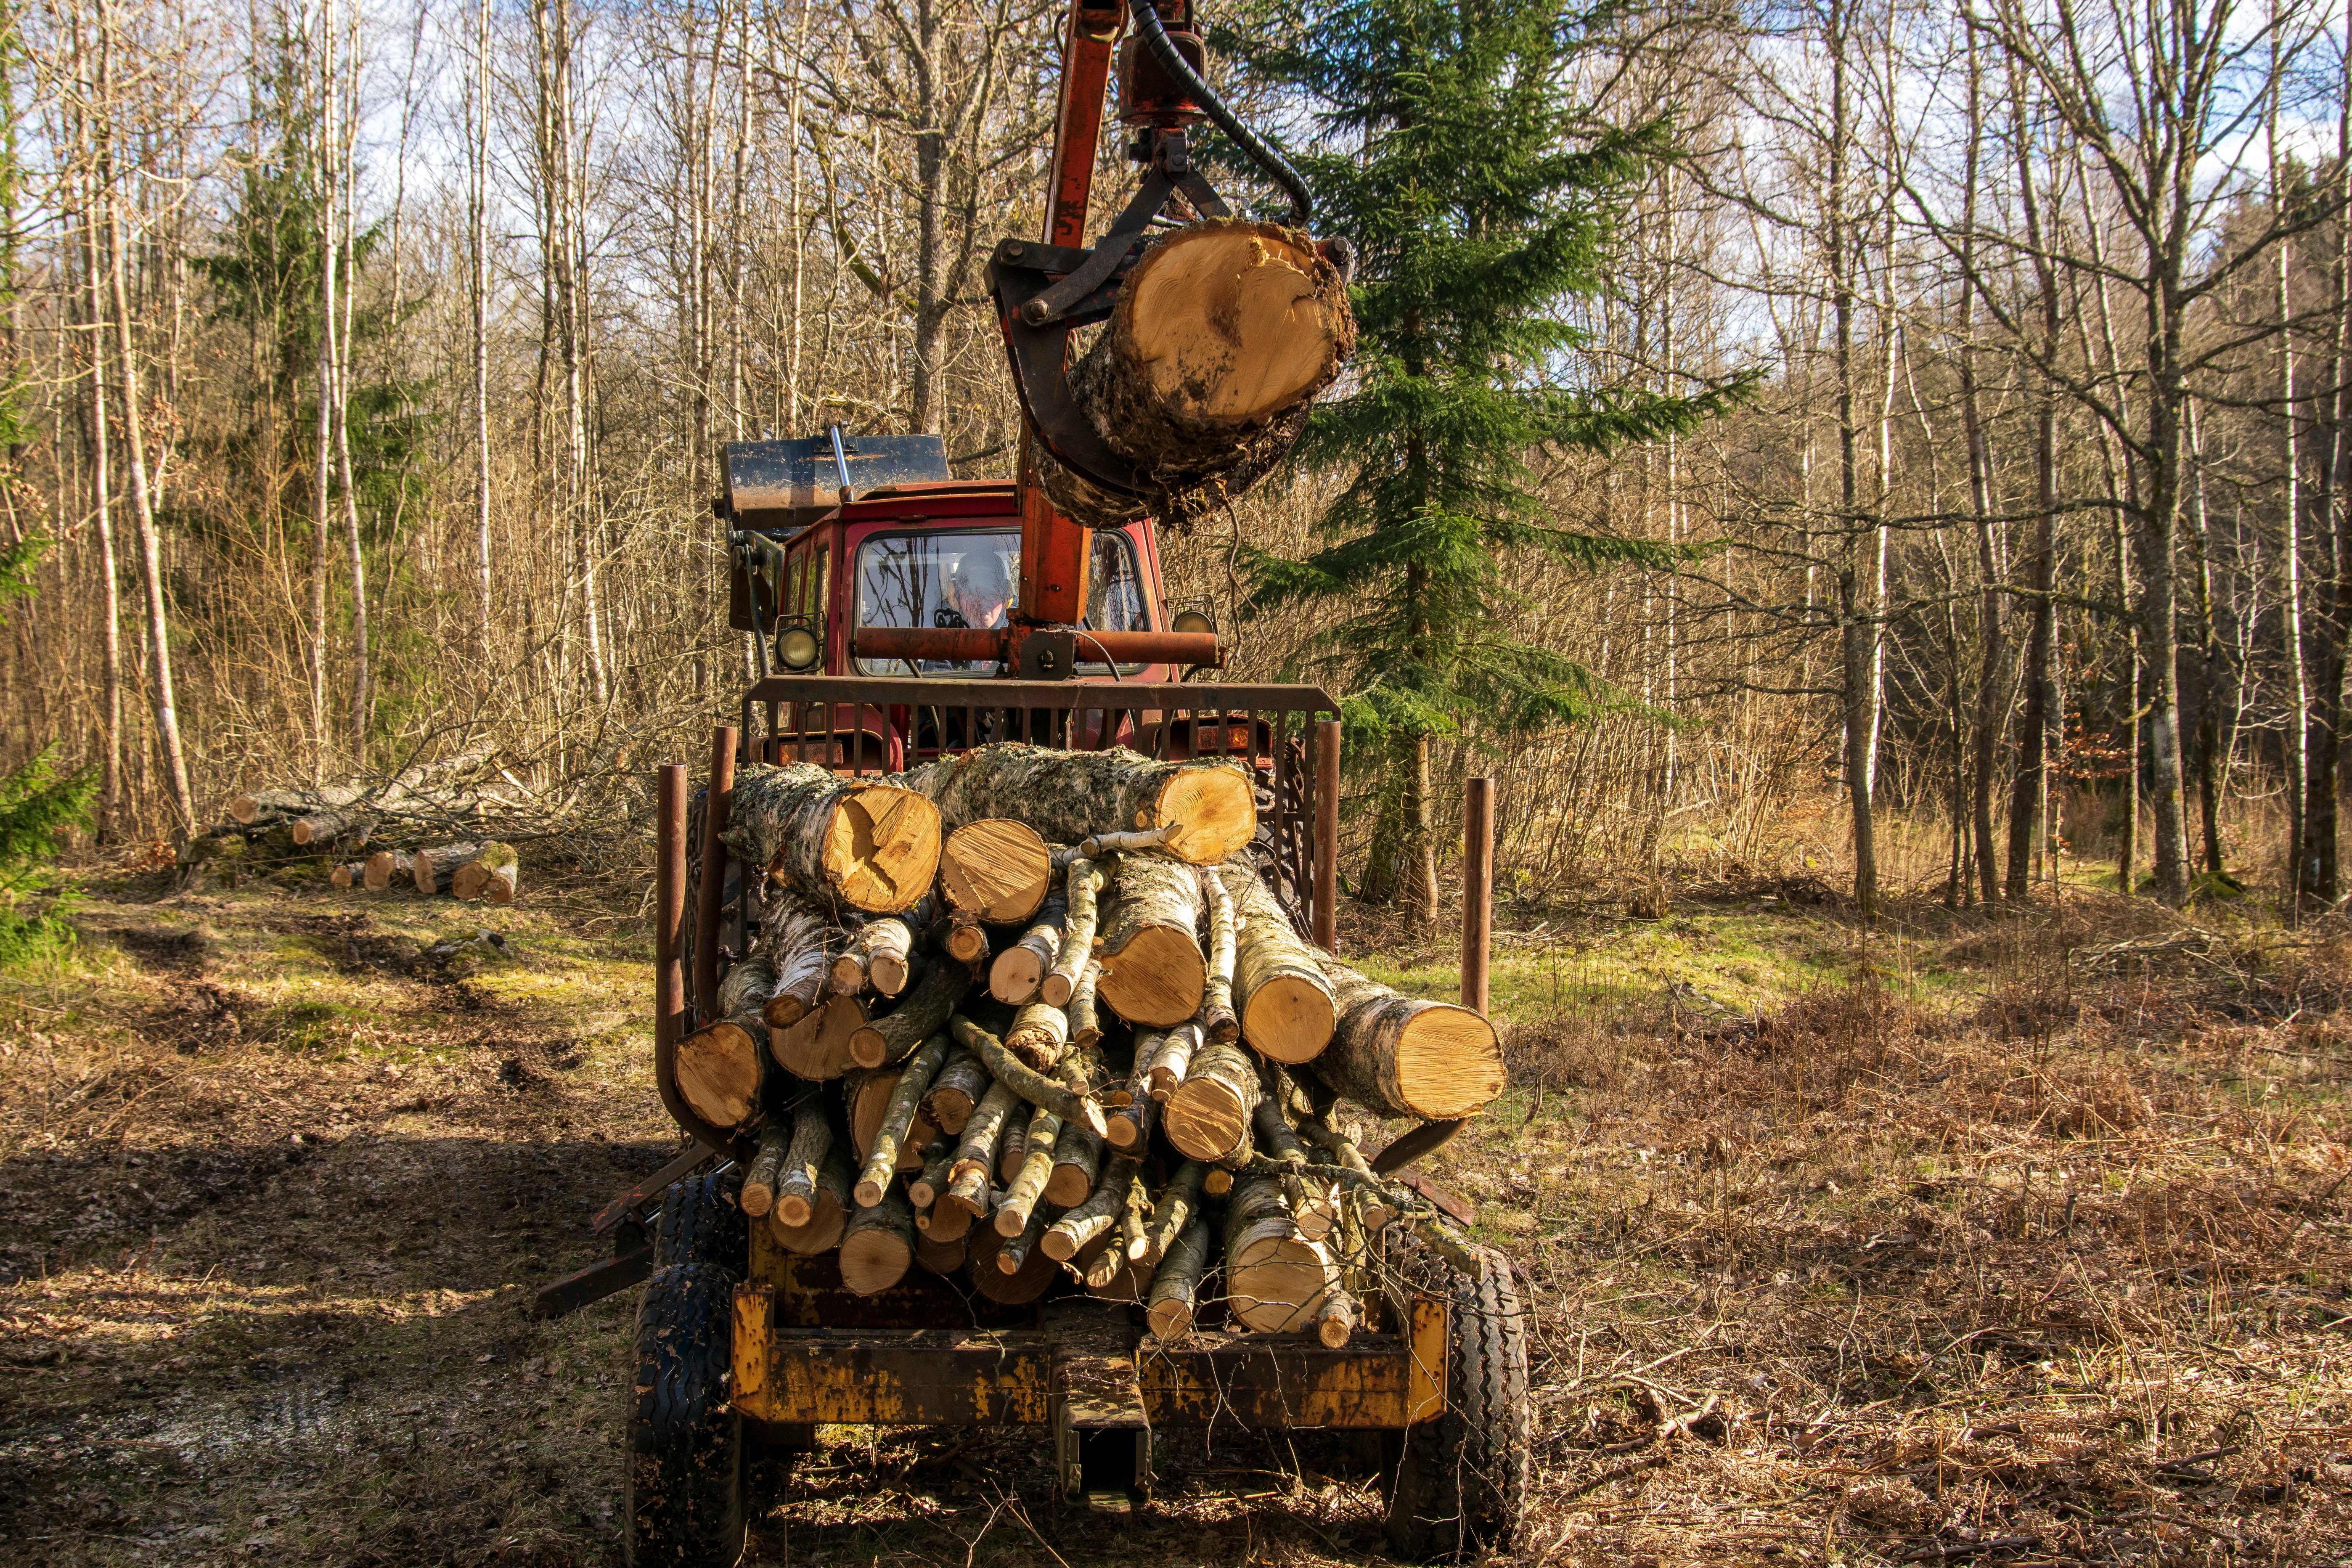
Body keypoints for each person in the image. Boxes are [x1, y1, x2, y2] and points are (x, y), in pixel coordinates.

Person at [938, 547, 1012, 631]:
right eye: (972, 594)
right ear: (956, 598)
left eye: (991, 594)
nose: (981, 603)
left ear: (1006, 598)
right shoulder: (934, 626)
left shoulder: (1025, 623)